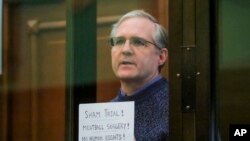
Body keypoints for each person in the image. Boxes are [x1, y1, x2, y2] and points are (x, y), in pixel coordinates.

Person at [109, 10, 169, 141]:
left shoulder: (179, 106)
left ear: (161, 56)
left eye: (138, 42)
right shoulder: (104, 116)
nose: (125, 50)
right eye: (119, 41)